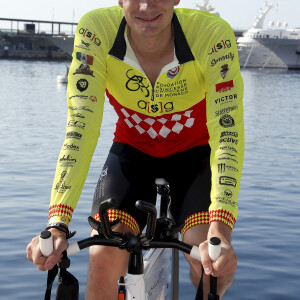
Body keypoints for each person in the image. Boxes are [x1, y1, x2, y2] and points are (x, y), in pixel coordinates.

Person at [26, 0, 244, 299]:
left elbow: (227, 134)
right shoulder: (96, 31)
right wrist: (57, 222)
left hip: (194, 155)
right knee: (103, 253)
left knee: (208, 261)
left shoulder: (211, 34)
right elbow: (80, 128)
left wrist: (221, 230)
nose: (146, 5)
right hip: (133, 152)